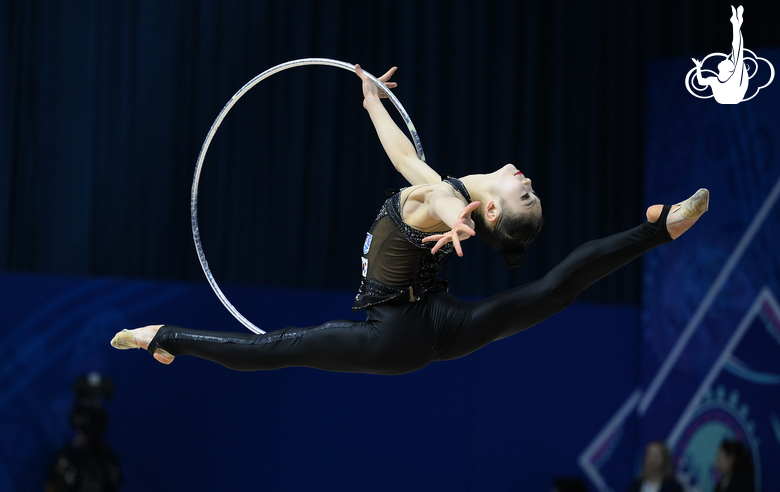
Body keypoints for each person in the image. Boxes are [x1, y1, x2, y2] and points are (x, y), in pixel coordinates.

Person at [111, 64, 709, 375]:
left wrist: (458, 220)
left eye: (525, 196)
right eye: (532, 191)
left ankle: (162, 339)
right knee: (553, 292)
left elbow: (442, 200)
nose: (528, 182)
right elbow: (407, 159)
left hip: (396, 333)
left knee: (277, 349)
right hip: (438, 325)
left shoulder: (447, 200)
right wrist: (372, 101)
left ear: (490, 208)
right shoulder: (437, 190)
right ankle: (658, 229)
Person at [692, 5, 748, 104]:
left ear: (729, 69)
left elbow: (737, 48)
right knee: (736, 51)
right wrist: (698, 67)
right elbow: (701, 82)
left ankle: (736, 23)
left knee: (737, 51)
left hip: (734, 96)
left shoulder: (734, 77)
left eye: (727, 61)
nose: (725, 59)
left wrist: (736, 26)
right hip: (727, 98)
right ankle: (736, 23)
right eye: (727, 60)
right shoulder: (714, 80)